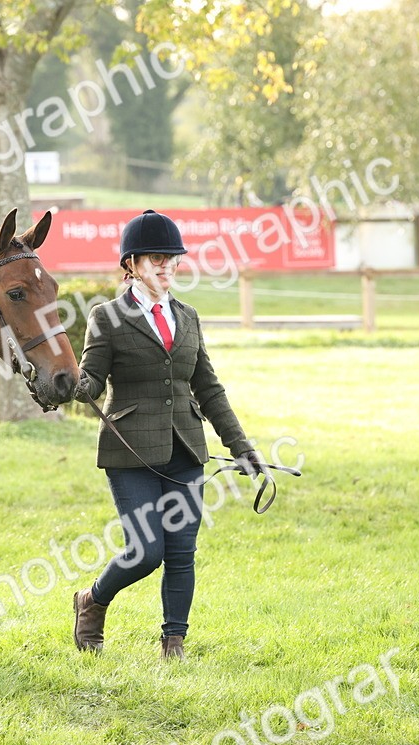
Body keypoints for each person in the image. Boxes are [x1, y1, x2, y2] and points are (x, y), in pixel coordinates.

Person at [72, 209, 266, 660]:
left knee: (181, 552)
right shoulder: (107, 317)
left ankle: (173, 642)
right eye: (156, 258)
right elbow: (92, 381)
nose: (167, 266)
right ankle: (92, 600)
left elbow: (209, 388)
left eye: (173, 258)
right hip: (130, 453)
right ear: (132, 264)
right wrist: (70, 385)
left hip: (186, 449)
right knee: (145, 551)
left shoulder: (188, 316)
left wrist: (241, 447)